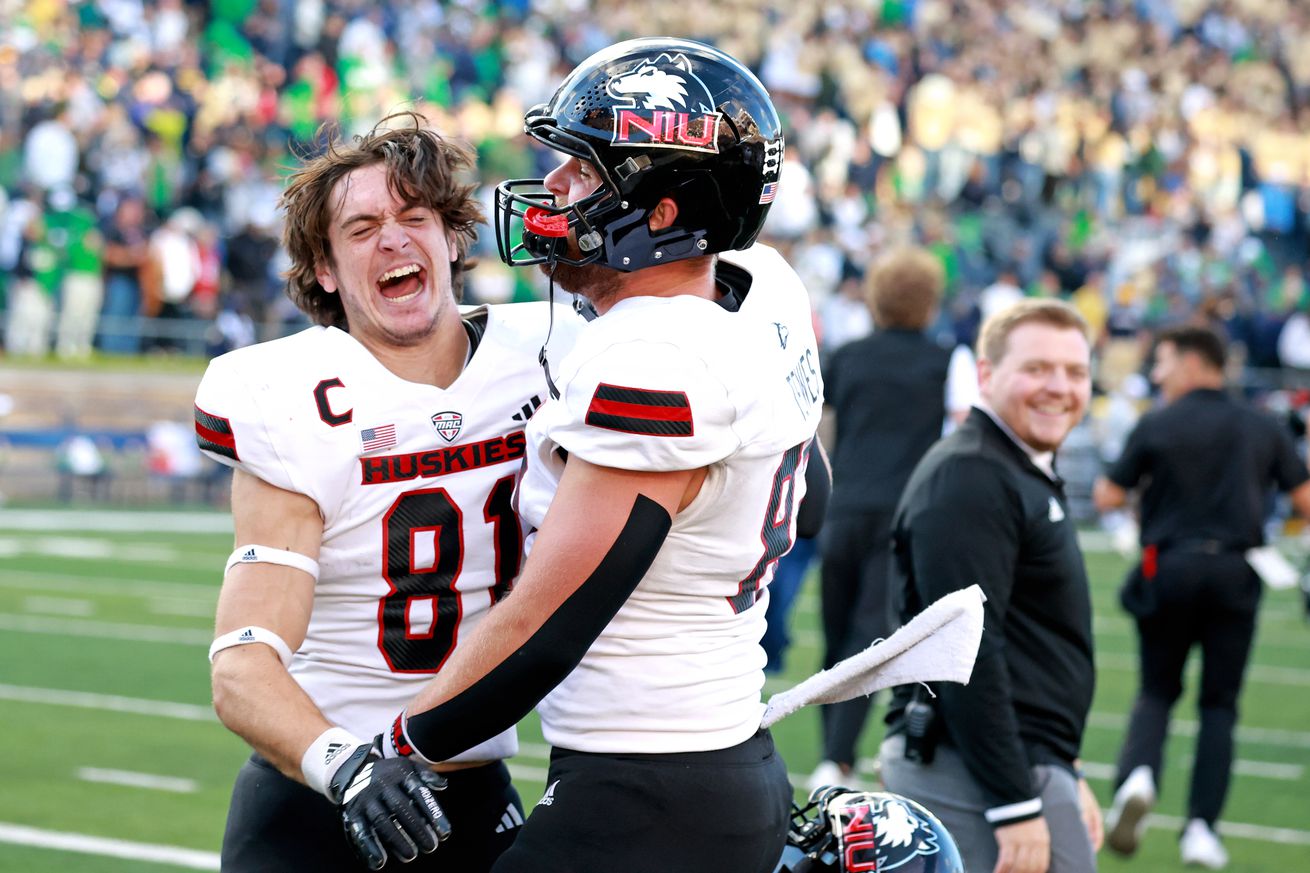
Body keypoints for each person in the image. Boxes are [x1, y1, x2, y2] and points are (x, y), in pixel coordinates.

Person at [346, 38, 826, 873]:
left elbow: (547, 624)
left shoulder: (653, 359)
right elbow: (811, 495)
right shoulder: (758, 288)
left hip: (646, 793)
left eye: (584, 172)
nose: (555, 190)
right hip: (723, 763)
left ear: (663, 212)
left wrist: (398, 745)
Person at [195, 112, 585, 872]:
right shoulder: (294, 397)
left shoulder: (551, 354)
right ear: (328, 269)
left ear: (452, 240)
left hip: (473, 787)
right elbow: (241, 667)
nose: (394, 239)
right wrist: (346, 765)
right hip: (320, 793)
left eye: (414, 217)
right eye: (364, 226)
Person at [878, 299, 1104, 873]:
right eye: (1037, 368)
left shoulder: (1014, 465)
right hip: (976, 767)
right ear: (985, 374)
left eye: (1075, 372)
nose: (1059, 387)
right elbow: (966, 653)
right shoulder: (972, 475)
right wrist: (1013, 803)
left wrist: (1065, 765)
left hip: (1020, 757)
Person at [1093, 325, 1310, 870]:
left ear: (1194, 362)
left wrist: (1147, 509)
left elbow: (1109, 493)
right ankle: (1201, 830)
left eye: (1163, 362)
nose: (1157, 374)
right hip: (1237, 569)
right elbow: (1304, 497)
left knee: (1157, 690)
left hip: (1167, 564)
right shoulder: (1260, 425)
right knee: (1220, 706)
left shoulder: (1159, 422)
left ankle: (1139, 776)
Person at [807, 245, 968, 792]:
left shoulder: (847, 355)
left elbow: (822, 437)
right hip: (903, 513)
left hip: (843, 505)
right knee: (868, 627)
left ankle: (836, 754)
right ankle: (837, 759)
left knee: (835, 630)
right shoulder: (946, 358)